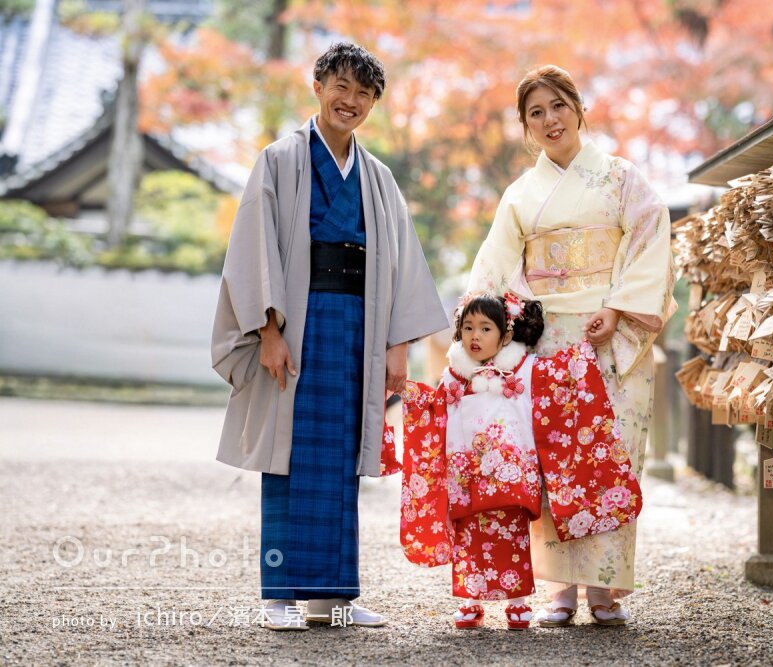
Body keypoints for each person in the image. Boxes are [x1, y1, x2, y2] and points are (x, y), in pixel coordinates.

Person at [211, 42, 449, 631]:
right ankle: (279, 597)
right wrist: (268, 331)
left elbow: (400, 265)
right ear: (318, 85)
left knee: (340, 455)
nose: (351, 101)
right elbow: (255, 248)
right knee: (289, 454)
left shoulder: (378, 177)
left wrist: (398, 345)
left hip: (358, 327)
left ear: (372, 103)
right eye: (341, 86)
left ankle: (333, 598)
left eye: (364, 93)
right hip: (297, 317)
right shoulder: (280, 159)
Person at [467, 65, 676, 626]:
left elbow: (653, 235)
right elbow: (493, 267)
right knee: (553, 456)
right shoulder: (519, 194)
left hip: (612, 333)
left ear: (579, 109)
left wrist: (617, 305)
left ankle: (603, 587)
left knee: (613, 453)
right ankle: (560, 585)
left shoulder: (621, 178)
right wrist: (483, 335)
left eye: (558, 105)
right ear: (525, 127)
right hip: (549, 338)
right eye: (536, 113)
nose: (549, 119)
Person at [395, 293, 643, 630]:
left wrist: (582, 352)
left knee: (513, 537)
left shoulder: (524, 370)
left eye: (485, 328)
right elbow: (435, 410)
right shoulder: (454, 375)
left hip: (511, 474)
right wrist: (410, 394)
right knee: (470, 537)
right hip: (467, 474)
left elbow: (561, 377)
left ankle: (517, 601)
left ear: (506, 335)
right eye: (468, 328)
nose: (475, 336)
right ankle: (471, 600)